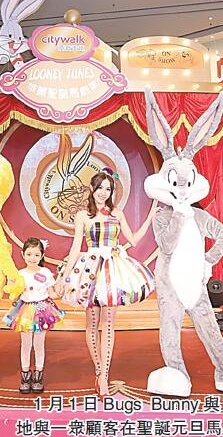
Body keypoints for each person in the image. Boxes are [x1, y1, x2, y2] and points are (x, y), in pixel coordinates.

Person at [59, 169, 155, 397]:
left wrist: (151, 216)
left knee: (109, 324)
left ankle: (104, 377)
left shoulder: (117, 213)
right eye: (100, 188)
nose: (103, 192)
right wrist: (63, 277)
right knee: (92, 323)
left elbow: (132, 240)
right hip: (91, 270)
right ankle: (98, 370)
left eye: (108, 189)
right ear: (92, 189)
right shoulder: (83, 216)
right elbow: (76, 247)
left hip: (113, 271)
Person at [3, 238, 64, 393]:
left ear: (42, 256)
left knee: (39, 344)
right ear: (23, 254)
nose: (32, 258)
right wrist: (12, 289)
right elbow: (14, 293)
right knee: (25, 344)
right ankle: (25, 376)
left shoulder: (46, 272)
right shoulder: (19, 274)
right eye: (29, 254)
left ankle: (38, 375)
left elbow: (52, 293)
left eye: (36, 255)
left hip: (42, 310)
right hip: (25, 311)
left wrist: (62, 288)